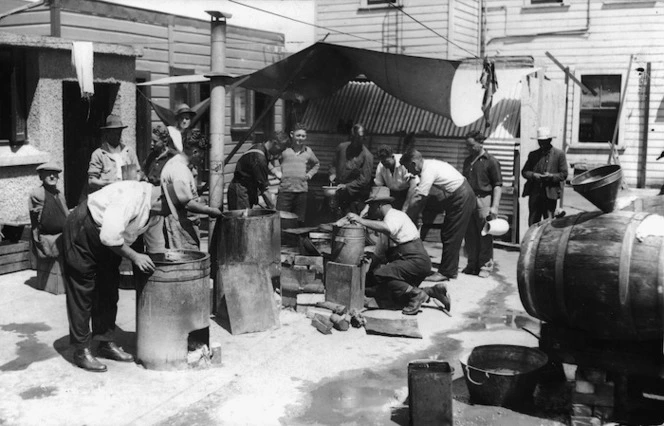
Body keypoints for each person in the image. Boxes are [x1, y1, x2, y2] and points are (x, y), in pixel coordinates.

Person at [61, 180, 168, 372]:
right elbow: (110, 237)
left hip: (107, 239)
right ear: (160, 197)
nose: (166, 214)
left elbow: (153, 242)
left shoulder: (155, 207)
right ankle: (81, 349)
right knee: (83, 290)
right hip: (84, 229)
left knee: (108, 288)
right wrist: (135, 256)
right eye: (168, 209)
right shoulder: (130, 197)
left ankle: (105, 342)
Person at [345, 193, 450, 315]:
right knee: (386, 291)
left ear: (379, 206)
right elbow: (378, 256)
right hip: (412, 264)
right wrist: (366, 281)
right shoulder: (387, 222)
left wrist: (361, 220)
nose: (370, 211)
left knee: (381, 274)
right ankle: (431, 291)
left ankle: (416, 294)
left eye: (371, 207)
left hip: (416, 262)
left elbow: (388, 228)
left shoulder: (395, 215)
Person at [400, 149, 475, 282]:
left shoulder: (428, 170)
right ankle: (449, 270)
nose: (410, 172)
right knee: (448, 233)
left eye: (408, 168)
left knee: (451, 235)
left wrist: (406, 218)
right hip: (459, 195)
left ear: (413, 163)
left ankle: (446, 272)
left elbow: (419, 197)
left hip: (461, 196)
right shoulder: (430, 165)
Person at [160, 132, 221, 250]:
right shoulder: (179, 170)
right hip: (180, 225)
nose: (202, 160)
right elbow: (186, 203)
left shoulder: (177, 164)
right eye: (202, 156)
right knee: (186, 263)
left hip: (179, 223)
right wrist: (210, 210)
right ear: (195, 152)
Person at [462, 131, 503, 278]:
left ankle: (485, 266)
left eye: (471, 145)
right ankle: (472, 264)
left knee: (485, 233)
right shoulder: (467, 161)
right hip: (469, 200)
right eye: (467, 145)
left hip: (484, 199)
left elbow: (498, 185)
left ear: (480, 143)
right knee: (470, 234)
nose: (469, 148)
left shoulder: (491, 161)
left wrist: (495, 207)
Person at [28, 161, 69, 292]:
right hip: (46, 235)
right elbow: (41, 219)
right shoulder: (38, 194)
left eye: (55, 174)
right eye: (48, 174)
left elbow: (65, 214)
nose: (52, 177)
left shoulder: (59, 194)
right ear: (41, 177)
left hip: (62, 233)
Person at [521, 126, 568, 226]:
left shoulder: (559, 154)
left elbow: (564, 174)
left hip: (550, 196)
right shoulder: (533, 155)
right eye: (540, 141)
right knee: (533, 223)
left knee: (549, 223)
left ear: (550, 140)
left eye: (544, 141)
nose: (542, 144)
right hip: (535, 195)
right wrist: (534, 175)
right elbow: (524, 172)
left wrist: (551, 176)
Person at [274, 124, 320, 225]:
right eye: (298, 135)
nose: (301, 138)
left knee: (299, 221)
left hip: (301, 192)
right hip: (285, 190)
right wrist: (276, 171)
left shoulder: (308, 151)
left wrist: (309, 175)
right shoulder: (284, 150)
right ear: (291, 134)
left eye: (303, 136)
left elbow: (316, 164)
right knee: (281, 220)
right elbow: (271, 159)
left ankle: (296, 241)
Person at [88, 114, 141, 194]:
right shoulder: (99, 154)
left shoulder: (128, 151)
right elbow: (92, 181)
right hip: (108, 194)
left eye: (119, 133)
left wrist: (135, 179)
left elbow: (138, 172)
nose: (117, 136)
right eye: (113, 133)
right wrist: (107, 183)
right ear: (107, 133)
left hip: (128, 193)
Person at [227, 136, 284, 210]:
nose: (280, 153)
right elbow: (264, 190)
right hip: (240, 190)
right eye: (280, 149)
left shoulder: (260, 147)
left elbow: (264, 162)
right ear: (275, 143)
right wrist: (273, 209)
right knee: (242, 219)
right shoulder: (259, 158)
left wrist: (275, 172)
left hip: (247, 188)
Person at [329, 123, 374, 217]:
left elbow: (365, 179)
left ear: (364, 138)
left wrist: (347, 186)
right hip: (337, 191)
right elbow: (333, 164)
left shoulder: (367, 156)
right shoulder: (341, 147)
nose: (356, 141)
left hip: (354, 196)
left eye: (359, 138)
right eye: (354, 137)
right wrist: (332, 173)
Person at [374, 144, 417, 210]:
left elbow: (413, 186)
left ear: (392, 156)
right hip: (392, 194)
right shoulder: (381, 165)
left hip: (407, 193)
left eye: (386, 161)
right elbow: (378, 186)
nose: (384, 164)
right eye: (382, 162)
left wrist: (405, 206)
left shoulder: (403, 162)